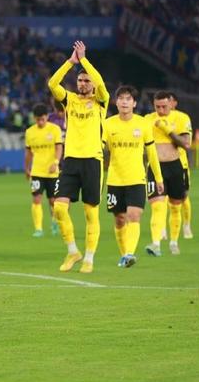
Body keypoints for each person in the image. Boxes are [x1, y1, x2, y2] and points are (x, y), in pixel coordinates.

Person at [47, 40, 109, 274]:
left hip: (93, 160)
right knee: (59, 208)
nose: (83, 83)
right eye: (80, 80)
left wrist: (84, 60)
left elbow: (101, 82)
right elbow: (52, 83)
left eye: (86, 80)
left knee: (90, 212)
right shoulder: (69, 100)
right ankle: (73, 251)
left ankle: (89, 258)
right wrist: (70, 62)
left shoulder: (101, 101)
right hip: (71, 160)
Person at [102, 86, 163, 268]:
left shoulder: (143, 124)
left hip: (137, 179)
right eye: (121, 99)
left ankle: (129, 253)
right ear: (116, 102)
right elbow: (99, 149)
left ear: (134, 103)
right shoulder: (108, 124)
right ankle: (124, 255)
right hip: (115, 179)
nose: (124, 102)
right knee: (119, 219)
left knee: (134, 215)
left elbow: (152, 153)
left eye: (128, 99)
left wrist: (158, 178)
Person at [144, 91, 191, 257]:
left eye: (164, 106)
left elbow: (186, 144)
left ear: (171, 103)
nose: (161, 110)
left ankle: (173, 242)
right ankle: (156, 244)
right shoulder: (147, 119)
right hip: (155, 167)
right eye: (157, 107)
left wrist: (168, 130)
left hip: (175, 166)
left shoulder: (181, 118)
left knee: (175, 206)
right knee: (157, 206)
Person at [24, 103, 63, 237]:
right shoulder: (30, 132)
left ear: (47, 117)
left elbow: (59, 148)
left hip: (52, 172)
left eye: (43, 119)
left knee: (53, 201)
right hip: (37, 171)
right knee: (36, 198)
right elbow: (28, 153)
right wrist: (27, 168)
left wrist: (56, 162)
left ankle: (55, 223)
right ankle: (38, 229)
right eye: (38, 119)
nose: (40, 122)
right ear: (34, 118)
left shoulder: (55, 129)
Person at [169, 93, 193, 239]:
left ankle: (186, 225)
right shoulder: (155, 119)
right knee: (161, 199)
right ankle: (162, 230)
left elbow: (187, 142)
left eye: (170, 100)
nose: (167, 103)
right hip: (161, 164)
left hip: (180, 164)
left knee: (183, 197)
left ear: (175, 103)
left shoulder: (182, 118)